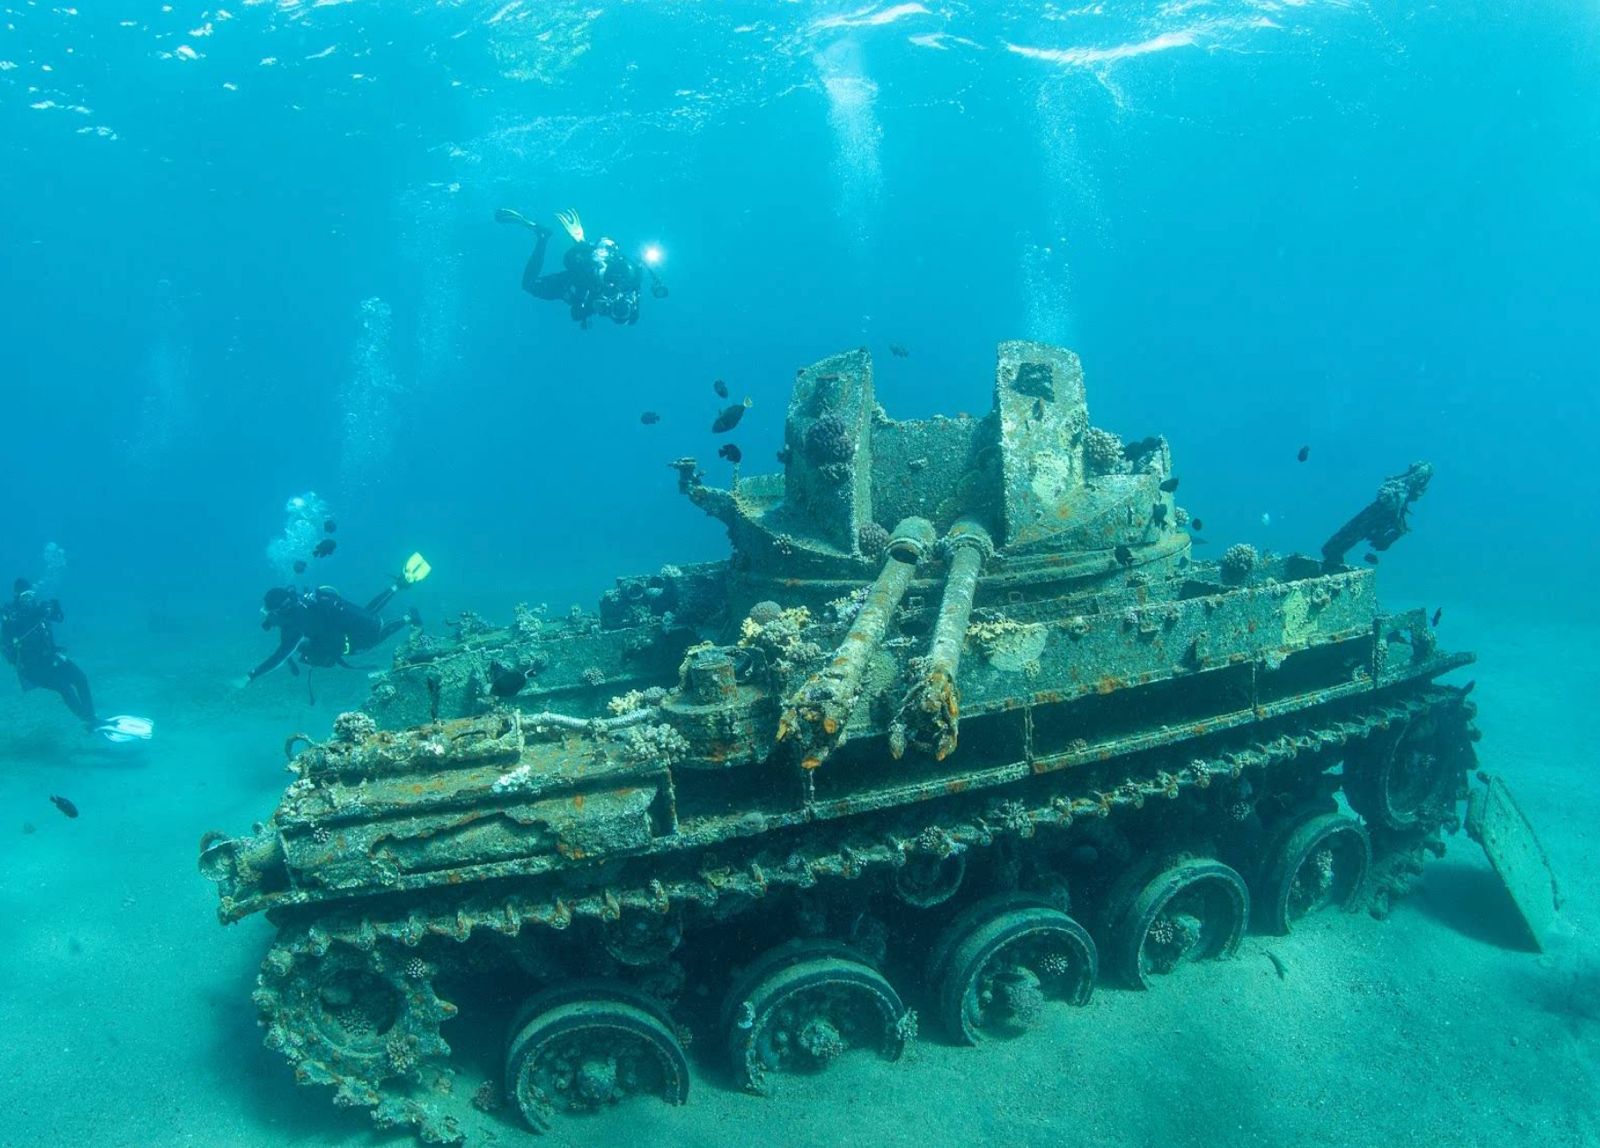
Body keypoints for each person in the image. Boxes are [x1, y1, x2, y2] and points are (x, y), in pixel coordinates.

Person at [246, 554, 430, 684]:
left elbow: (279, 656)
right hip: (343, 622)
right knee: (365, 614)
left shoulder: (295, 626)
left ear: (280, 611)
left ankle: (408, 617)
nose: (267, 618)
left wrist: (252, 675)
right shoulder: (301, 603)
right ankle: (397, 586)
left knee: (372, 637)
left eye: (269, 613)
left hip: (347, 637)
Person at [496, 207, 668, 328]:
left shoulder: (602, 305)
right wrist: (581, 242)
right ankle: (545, 236)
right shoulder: (629, 277)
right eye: (622, 309)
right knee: (535, 283)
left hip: (576, 282)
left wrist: (592, 306)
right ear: (631, 304)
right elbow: (573, 261)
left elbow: (576, 314)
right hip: (581, 272)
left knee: (529, 285)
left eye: (614, 313)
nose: (615, 307)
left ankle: (543, 236)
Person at [2, 578, 98, 729]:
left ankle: (91, 716)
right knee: (64, 687)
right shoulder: (10, 612)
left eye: (30, 595)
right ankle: (87, 720)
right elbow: (16, 628)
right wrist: (37, 613)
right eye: (24, 596)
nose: (28, 599)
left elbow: (58, 619)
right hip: (30, 666)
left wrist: (56, 609)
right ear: (17, 596)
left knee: (81, 678)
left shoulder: (37, 608)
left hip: (50, 657)